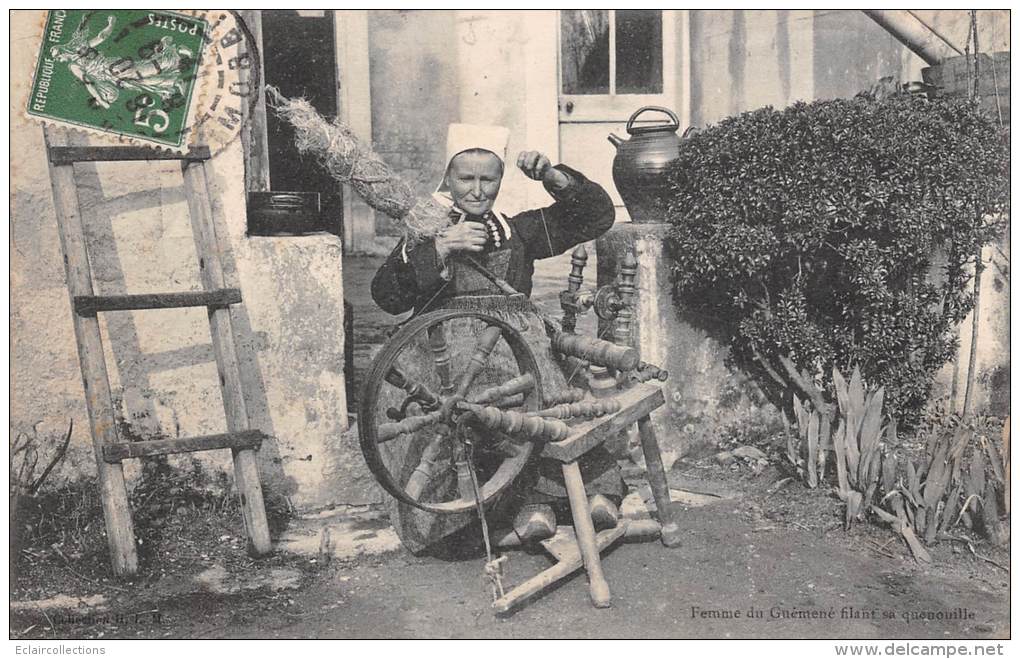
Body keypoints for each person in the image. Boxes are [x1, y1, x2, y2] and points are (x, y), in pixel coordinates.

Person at [371, 124, 624, 546]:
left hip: (519, 351)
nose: (476, 190)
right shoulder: (425, 233)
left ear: (500, 180)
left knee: (549, 402)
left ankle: (566, 497)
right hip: (447, 362)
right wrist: (441, 249)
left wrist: (552, 177)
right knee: (480, 408)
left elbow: (598, 217)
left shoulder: (517, 231)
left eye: (487, 179)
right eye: (465, 179)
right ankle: (512, 506)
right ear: (448, 179)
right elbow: (385, 296)